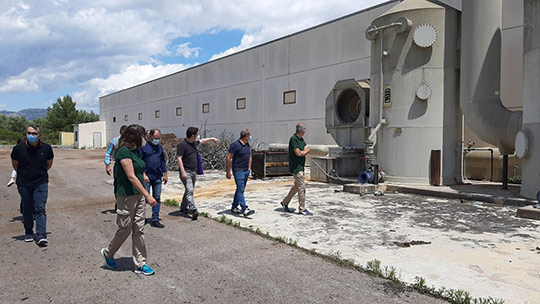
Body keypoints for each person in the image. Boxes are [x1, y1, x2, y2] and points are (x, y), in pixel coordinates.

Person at [101, 124, 158, 276]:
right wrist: (147, 195)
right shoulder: (123, 152)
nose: (145, 139)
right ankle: (108, 253)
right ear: (135, 137)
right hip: (127, 196)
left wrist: (144, 175)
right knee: (125, 229)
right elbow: (131, 176)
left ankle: (141, 263)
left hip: (138, 195)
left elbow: (138, 170)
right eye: (143, 136)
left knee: (139, 228)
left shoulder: (136, 151)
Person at [11, 125, 54, 245]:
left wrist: (39, 173)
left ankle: (41, 234)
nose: (31, 136)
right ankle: (29, 232)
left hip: (41, 182)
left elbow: (48, 164)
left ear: (39, 135)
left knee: (40, 207)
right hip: (24, 183)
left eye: (34, 133)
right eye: (29, 133)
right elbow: (15, 165)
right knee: (27, 208)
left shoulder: (46, 148)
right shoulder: (18, 149)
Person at [177, 127, 218, 220]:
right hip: (186, 172)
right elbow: (179, 158)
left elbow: (202, 141)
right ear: (192, 136)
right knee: (190, 191)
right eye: (196, 134)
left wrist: (212, 139)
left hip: (193, 171)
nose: (198, 136)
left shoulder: (193, 144)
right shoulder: (182, 145)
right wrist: (183, 172)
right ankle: (193, 209)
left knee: (188, 190)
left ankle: (183, 208)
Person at [280, 123, 313, 215]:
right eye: (304, 129)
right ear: (302, 130)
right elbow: (298, 153)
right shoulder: (293, 139)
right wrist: (304, 151)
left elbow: (308, 149)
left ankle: (285, 202)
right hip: (296, 167)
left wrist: (304, 151)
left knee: (296, 187)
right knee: (302, 187)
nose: (305, 131)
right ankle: (302, 209)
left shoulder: (301, 139)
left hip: (301, 166)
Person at [141, 128, 168, 228]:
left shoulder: (159, 148)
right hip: (146, 177)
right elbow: (139, 162)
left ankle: (155, 219)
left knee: (157, 198)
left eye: (159, 138)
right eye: (156, 137)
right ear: (150, 136)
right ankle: (141, 218)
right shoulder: (143, 148)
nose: (158, 139)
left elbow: (162, 161)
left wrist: (165, 173)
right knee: (144, 199)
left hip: (157, 176)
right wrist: (143, 174)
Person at [226, 129, 255, 216]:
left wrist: (249, 168)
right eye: (249, 135)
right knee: (240, 189)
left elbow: (249, 156)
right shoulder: (235, 145)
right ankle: (244, 208)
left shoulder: (247, 145)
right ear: (246, 136)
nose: (250, 137)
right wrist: (228, 171)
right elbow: (228, 158)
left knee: (240, 190)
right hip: (238, 170)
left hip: (246, 170)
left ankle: (234, 207)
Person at [104, 125, 128, 212]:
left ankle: (126, 203)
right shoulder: (115, 141)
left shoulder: (131, 142)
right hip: (118, 165)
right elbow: (108, 154)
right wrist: (107, 165)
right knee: (118, 184)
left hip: (129, 165)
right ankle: (118, 201)